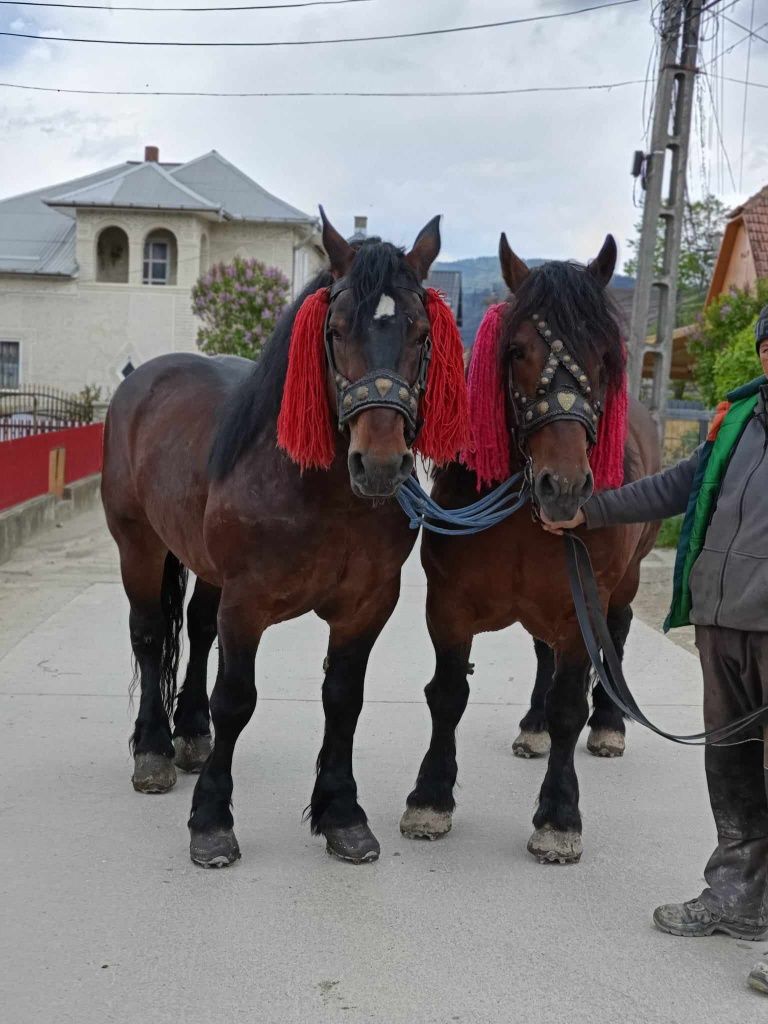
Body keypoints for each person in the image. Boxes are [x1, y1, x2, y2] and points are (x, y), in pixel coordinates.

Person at [542, 304, 768, 995]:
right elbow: (677, 488)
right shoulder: (737, 421)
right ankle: (735, 896)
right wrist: (594, 511)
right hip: (723, 624)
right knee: (729, 770)